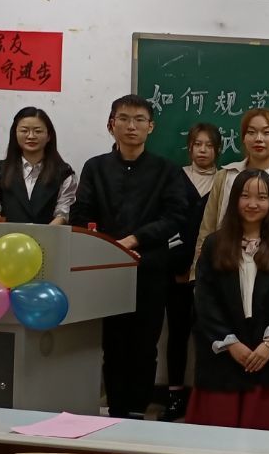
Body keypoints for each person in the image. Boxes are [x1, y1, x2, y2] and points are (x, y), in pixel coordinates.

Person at [71, 94, 193, 419]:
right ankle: (115, 410)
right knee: (112, 345)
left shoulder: (166, 170)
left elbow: (175, 216)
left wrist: (135, 239)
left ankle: (138, 412)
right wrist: (106, 244)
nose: (131, 126)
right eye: (123, 119)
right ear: (111, 125)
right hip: (105, 268)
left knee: (145, 345)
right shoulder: (95, 167)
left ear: (151, 127)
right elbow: (81, 212)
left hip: (149, 269)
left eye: (139, 120)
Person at [187, 169, 269, 430]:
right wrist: (231, 344)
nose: (252, 204)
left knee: (263, 439)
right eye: (245, 196)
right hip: (222, 356)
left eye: (261, 197)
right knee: (218, 437)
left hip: (266, 356)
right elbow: (205, 299)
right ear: (234, 199)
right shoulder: (214, 244)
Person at [162, 121, 221, 422]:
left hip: (211, 272)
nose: (202, 150)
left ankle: (203, 398)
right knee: (177, 333)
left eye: (209, 145)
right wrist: (179, 264)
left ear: (218, 150)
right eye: (197, 144)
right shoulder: (175, 177)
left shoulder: (224, 181)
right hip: (177, 271)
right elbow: (167, 221)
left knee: (208, 334)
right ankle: (175, 395)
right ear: (189, 148)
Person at [196, 108, 269, 268]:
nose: (258, 139)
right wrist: (197, 271)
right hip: (225, 262)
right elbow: (207, 227)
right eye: (251, 132)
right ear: (244, 138)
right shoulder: (226, 176)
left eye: (266, 133)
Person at [0, 106, 77, 224]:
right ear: (15, 134)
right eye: (24, 131)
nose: (31, 136)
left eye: (38, 131)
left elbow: (63, 214)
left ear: (49, 136)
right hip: (8, 235)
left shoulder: (64, 173)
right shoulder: (0, 171)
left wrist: (43, 234)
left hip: (49, 235)